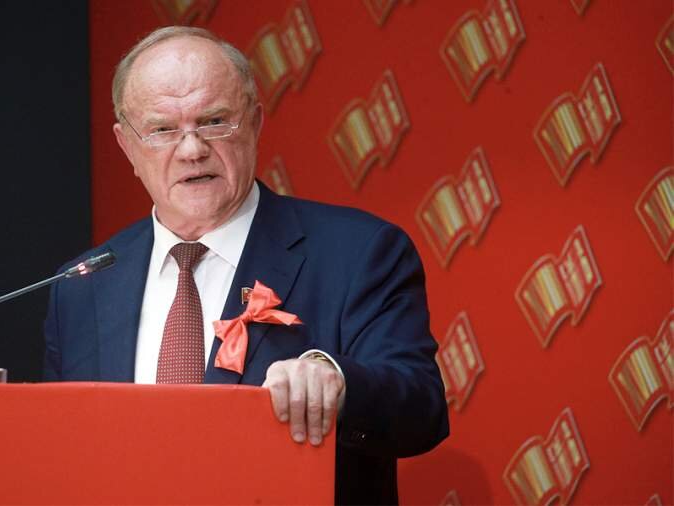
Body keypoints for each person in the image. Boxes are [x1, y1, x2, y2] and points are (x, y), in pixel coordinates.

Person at [44, 26, 449, 505]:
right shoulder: (83, 285)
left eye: (215, 121)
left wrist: (338, 382)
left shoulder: (359, 252)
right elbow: (62, 455)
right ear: (127, 146)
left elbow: (421, 409)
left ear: (255, 123)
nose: (191, 149)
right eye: (163, 130)